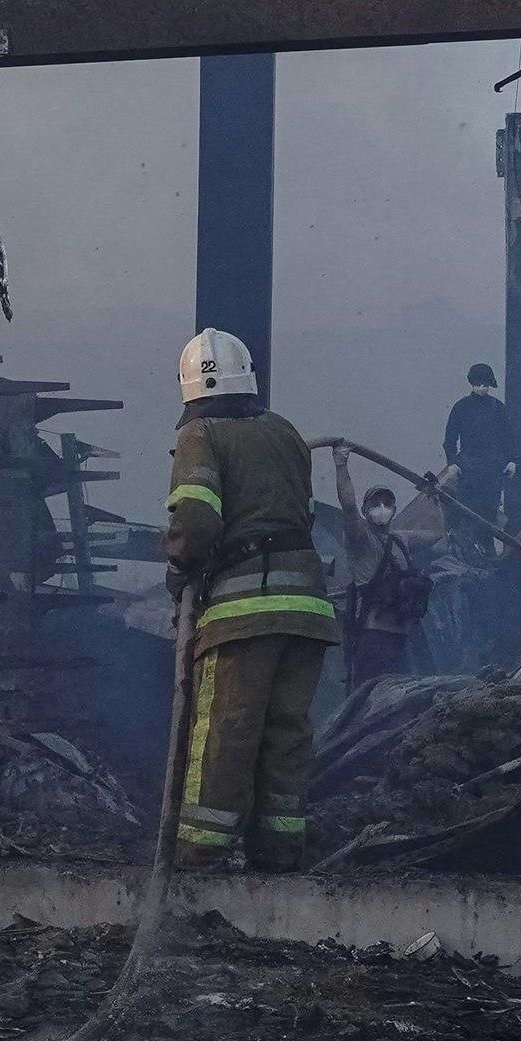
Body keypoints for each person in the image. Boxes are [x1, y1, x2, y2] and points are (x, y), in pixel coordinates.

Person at [164, 328, 336, 871]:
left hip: (244, 612)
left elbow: (195, 518)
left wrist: (181, 566)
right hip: (307, 609)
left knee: (226, 732)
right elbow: (303, 513)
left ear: (189, 390)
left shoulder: (202, 434)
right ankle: (279, 853)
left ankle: (201, 856)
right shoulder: (284, 431)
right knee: (286, 733)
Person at [335, 484, 423, 683]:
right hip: (374, 638)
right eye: (375, 504)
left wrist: (435, 498)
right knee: (371, 698)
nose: (382, 508)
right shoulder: (361, 540)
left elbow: (439, 535)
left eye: (387, 503)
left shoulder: (401, 540)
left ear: (394, 509)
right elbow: (349, 507)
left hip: (405, 639)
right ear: (365, 511)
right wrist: (341, 465)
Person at [442, 361, 513, 519]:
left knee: (489, 516)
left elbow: (508, 438)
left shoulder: (498, 408)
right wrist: (452, 463)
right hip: (468, 468)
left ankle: (486, 543)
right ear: (472, 383)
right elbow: (450, 440)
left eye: (485, 384)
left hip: (492, 469)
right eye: (478, 384)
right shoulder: (461, 407)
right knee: (466, 513)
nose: (481, 388)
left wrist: (510, 461)